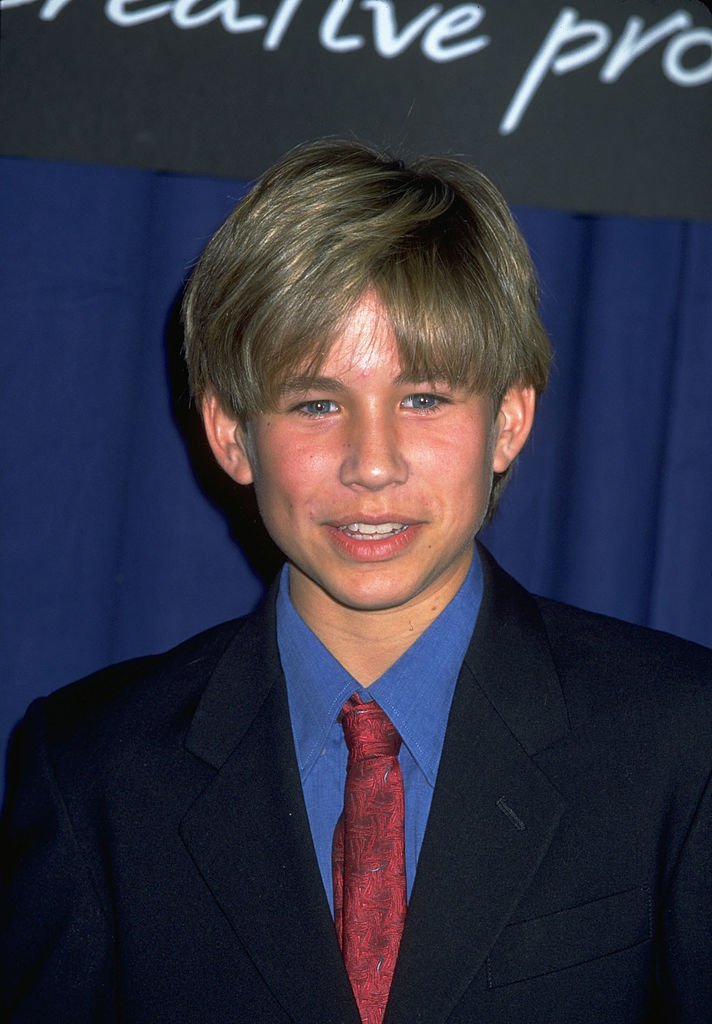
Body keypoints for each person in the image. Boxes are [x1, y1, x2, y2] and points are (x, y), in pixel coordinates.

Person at [1, 139, 710, 1024]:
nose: (371, 465)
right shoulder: (93, 772)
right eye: (315, 403)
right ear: (229, 434)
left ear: (509, 421)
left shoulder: (683, 741)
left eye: (424, 398)